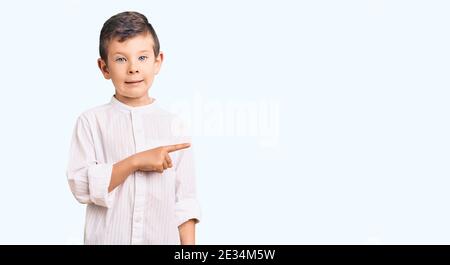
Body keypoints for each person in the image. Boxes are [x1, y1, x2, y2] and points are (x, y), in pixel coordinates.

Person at [66, 11, 201, 245]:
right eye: (120, 59)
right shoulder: (91, 122)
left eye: (142, 58)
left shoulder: (174, 126)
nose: (133, 68)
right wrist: (135, 162)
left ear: (157, 62)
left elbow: (185, 202)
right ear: (104, 67)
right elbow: (81, 186)